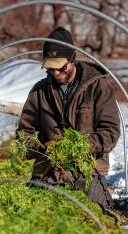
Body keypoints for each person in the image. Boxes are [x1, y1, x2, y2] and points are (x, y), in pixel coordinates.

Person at [17, 26, 120, 209]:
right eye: (50, 68)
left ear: (72, 60)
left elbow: (110, 132)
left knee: (95, 213)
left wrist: (76, 147)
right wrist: (44, 148)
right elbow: (24, 133)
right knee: (36, 213)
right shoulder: (39, 92)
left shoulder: (98, 87)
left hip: (88, 169)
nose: (55, 73)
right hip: (49, 169)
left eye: (60, 67)